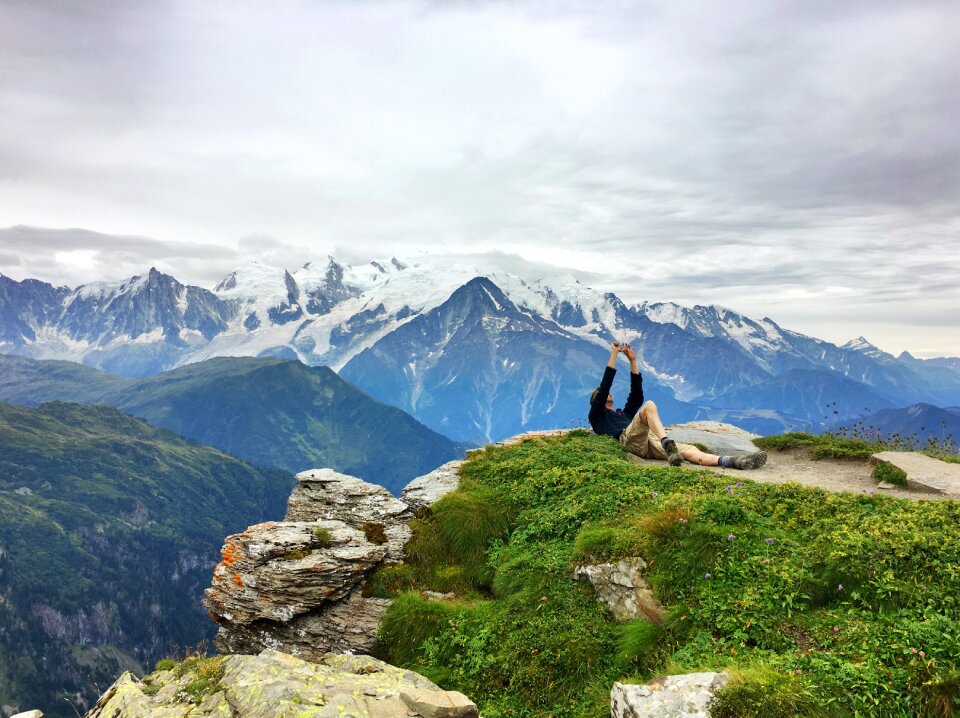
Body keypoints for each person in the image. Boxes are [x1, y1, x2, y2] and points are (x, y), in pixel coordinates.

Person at [588, 341, 767, 470]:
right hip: (628, 440)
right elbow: (605, 386)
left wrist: (633, 361)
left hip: (648, 441)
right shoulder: (597, 416)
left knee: (689, 451)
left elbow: (636, 396)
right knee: (650, 405)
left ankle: (734, 461)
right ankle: (668, 443)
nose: (606, 394)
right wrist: (613, 355)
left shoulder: (623, 414)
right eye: (600, 395)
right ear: (596, 401)